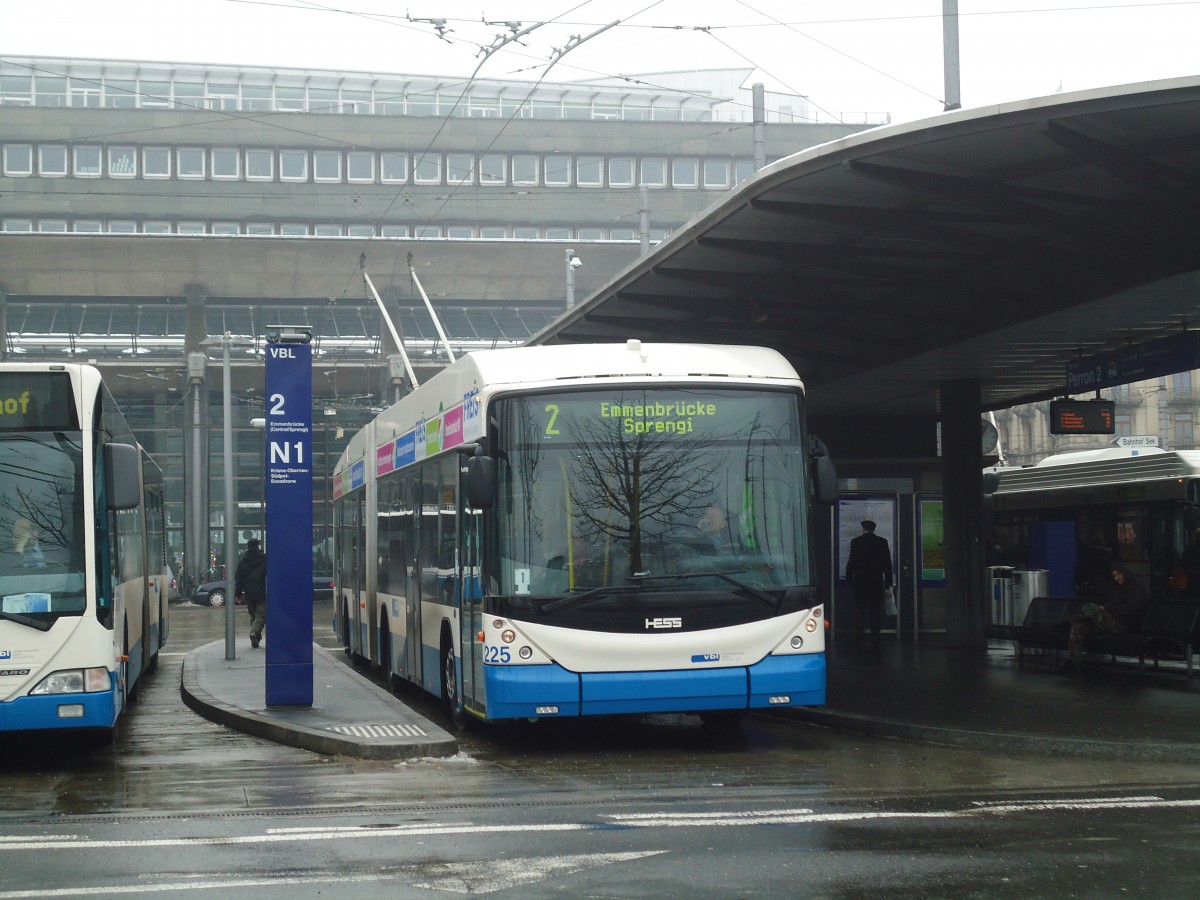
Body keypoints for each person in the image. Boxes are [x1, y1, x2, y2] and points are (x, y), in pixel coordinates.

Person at [1063, 561, 1149, 673]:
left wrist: (1106, 609)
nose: (1117, 578)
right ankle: (1072, 660)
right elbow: (1112, 605)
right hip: (1112, 622)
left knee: (1091, 608)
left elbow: (1130, 609)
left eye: (1119, 574)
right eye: (1114, 575)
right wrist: (1106, 609)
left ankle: (1067, 623)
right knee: (1079, 625)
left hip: (1125, 625)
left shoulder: (1136, 588)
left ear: (1125, 572)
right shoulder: (1117, 589)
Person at [844, 519, 893, 641]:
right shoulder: (882, 542)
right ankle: (875, 632)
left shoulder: (856, 542)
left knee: (859, 608)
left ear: (863, 529)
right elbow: (887, 564)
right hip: (876, 581)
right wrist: (888, 583)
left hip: (860, 581)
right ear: (874, 529)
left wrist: (849, 579)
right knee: (875, 608)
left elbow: (852, 562)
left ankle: (858, 633)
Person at [234, 538, 267, 648]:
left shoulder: (243, 561)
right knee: (261, 615)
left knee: (253, 615)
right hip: (262, 591)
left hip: (249, 593)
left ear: (247, 547)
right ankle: (253, 633)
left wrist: (237, 595)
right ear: (258, 546)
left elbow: (238, 579)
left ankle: (256, 639)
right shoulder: (264, 558)